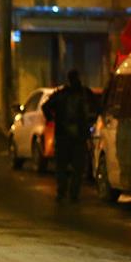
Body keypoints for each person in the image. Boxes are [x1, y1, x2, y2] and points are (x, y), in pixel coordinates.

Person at [42, 69, 98, 203]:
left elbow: (46, 107)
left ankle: (63, 192)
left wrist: (52, 119)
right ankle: (72, 194)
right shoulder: (83, 94)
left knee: (63, 167)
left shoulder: (62, 94)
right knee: (76, 167)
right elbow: (97, 107)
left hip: (65, 136)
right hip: (76, 137)